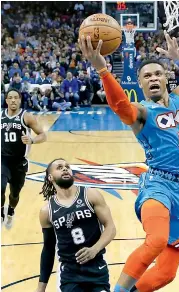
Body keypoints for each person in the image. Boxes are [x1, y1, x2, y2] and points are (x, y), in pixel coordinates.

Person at [78, 31, 179, 292]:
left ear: (166, 78)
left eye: (158, 74)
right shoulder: (142, 112)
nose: (153, 78)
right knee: (156, 241)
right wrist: (102, 71)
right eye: (147, 76)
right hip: (158, 185)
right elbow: (121, 106)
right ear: (140, 84)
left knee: (166, 273)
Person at [35, 158, 116, 292]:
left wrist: (94, 249)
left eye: (67, 166)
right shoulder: (46, 211)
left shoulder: (90, 195)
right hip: (69, 274)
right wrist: (40, 288)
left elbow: (110, 228)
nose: (65, 169)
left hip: (97, 268)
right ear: (50, 177)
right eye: (59, 167)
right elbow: (48, 249)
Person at [1, 88, 47, 229]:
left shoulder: (26, 117)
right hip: (3, 160)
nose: (13, 100)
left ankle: (11, 211)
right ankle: (1, 211)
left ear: (20, 100)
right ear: (7, 100)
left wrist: (32, 140)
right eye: (10, 97)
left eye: (16, 97)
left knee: (14, 194)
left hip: (19, 162)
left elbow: (43, 135)